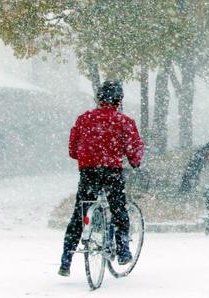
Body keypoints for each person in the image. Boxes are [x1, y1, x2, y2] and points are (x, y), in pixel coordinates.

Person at [58, 80, 144, 277]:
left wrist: (88, 156)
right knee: (118, 209)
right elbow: (134, 151)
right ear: (119, 100)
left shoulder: (84, 119)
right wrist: (134, 161)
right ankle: (122, 250)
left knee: (80, 214)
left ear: (99, 98)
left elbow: (73, 150)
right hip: (112, 171)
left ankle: (66, 260)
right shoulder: (124, 122)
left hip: (88, 171)